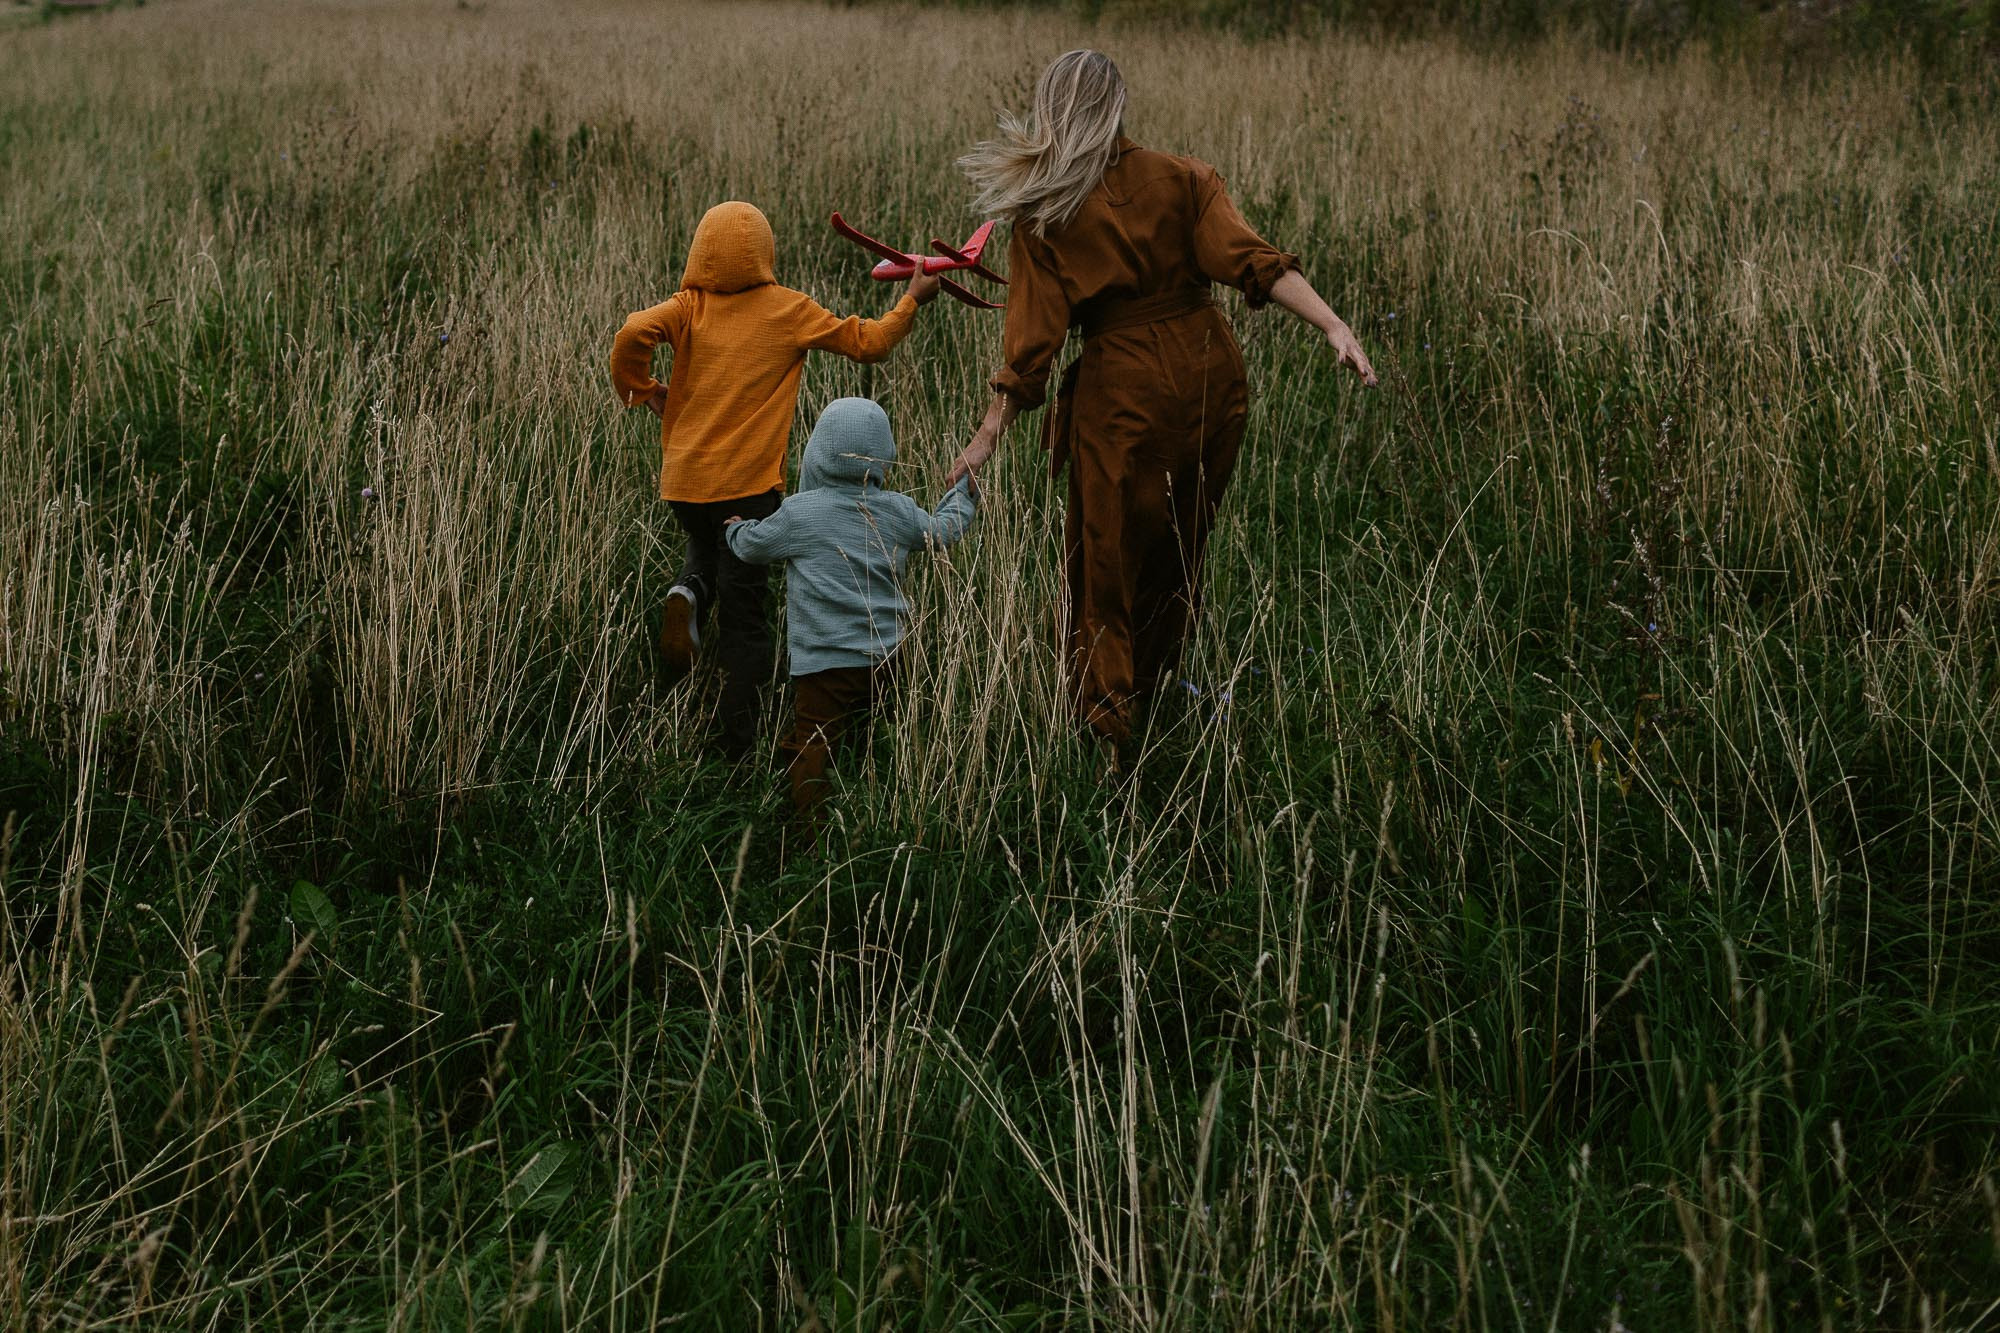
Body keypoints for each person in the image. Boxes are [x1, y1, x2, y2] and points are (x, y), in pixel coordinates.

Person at [947, 49, 1376, 755]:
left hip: (1124, 392)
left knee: (1107, 558)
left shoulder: (1044, 210)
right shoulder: (1183, 178)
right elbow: (1254, 262)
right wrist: (1331, 323)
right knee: (1180, 545)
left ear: (1052, 108)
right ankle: (1155, 686)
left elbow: (1033, 349)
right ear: (1118, 105)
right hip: (1210, 375)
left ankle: (1109, 727)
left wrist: (991, 431)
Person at [611, 201, 940, 757]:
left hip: (684, 480)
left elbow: (632, 332)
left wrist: (643, 390)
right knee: (746, 620)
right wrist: (911, 300)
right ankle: (736, 745)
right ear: (764, 254)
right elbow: (870, 344)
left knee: (703, 546)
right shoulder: (788, 309)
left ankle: (687, 591)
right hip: (748, 488)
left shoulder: (687, 306)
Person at [725, 397, 979, 823]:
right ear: (884, 457)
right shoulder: (897, 510)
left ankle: (812, 830)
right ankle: (898, 803)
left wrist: (736, 530)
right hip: (890, 654)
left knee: (815, 743)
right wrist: (963, 496)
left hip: (824, 663)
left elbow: (753, 547)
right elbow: (942, 532)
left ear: (818, 451)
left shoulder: (799, 514)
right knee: (893, 731)